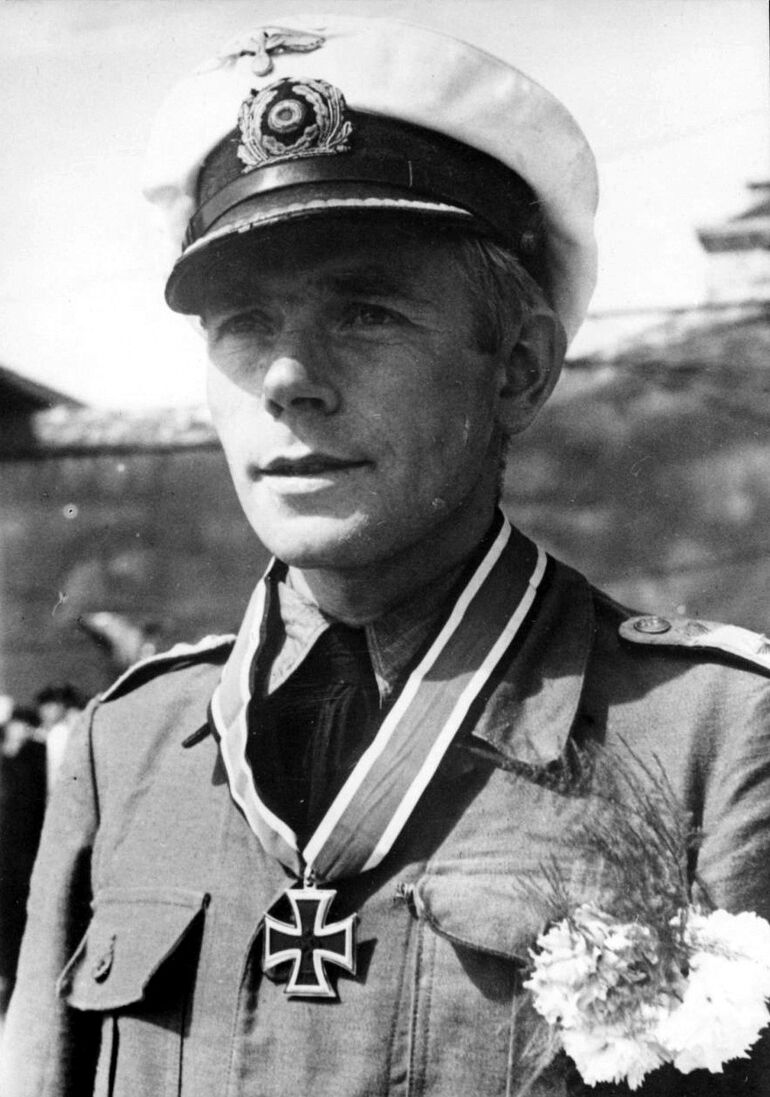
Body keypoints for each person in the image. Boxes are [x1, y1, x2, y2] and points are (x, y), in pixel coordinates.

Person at [3, 14, 769, 1096]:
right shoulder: (125, 745)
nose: (286, 379)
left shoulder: (713, 738)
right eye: (241, 322)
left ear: (516, 369)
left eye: (364, 312)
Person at [0, 707, 47, 1016]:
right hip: (9, 858)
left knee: (14, 925)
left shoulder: (29, 763)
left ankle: (11, 987)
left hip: (19, 859)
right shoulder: (9, 764)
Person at [34, 683, 88, 793]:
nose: (45, 712)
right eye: (43, 708)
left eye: (50, 707)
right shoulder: (45, 734)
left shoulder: (62, 732)